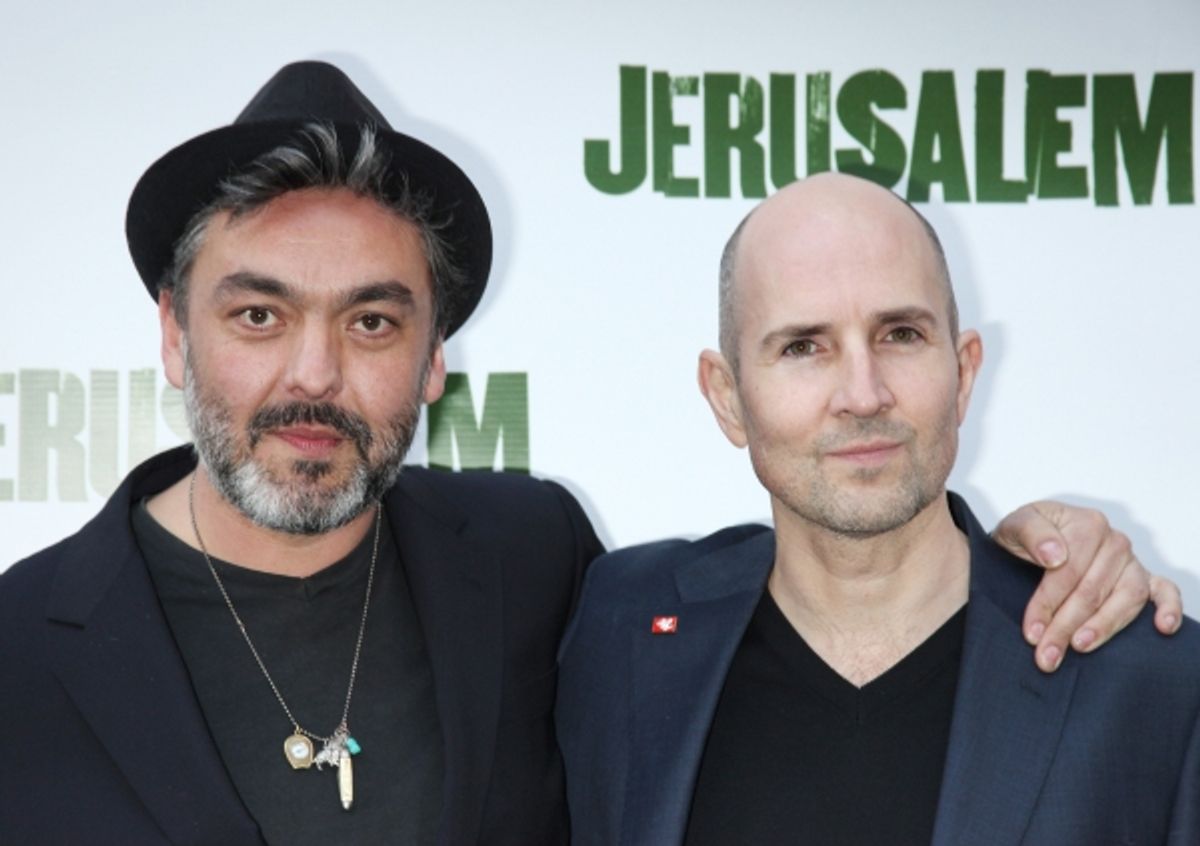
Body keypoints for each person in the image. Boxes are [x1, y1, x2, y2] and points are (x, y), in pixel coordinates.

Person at [0, 63, 1181, 846]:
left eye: (373, 321)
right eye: (259, 315)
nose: (315, 374)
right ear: (174, 333)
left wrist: (1050, 549)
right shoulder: (22, 653)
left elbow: (864, 554)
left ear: (435, 358)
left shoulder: (534, 568)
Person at [556, 172, 1200, 844]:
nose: (863, 396)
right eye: (803, 347)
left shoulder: (1157, 686)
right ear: (727, 398)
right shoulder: (617, 627)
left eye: (900, 335)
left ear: (963, 374)